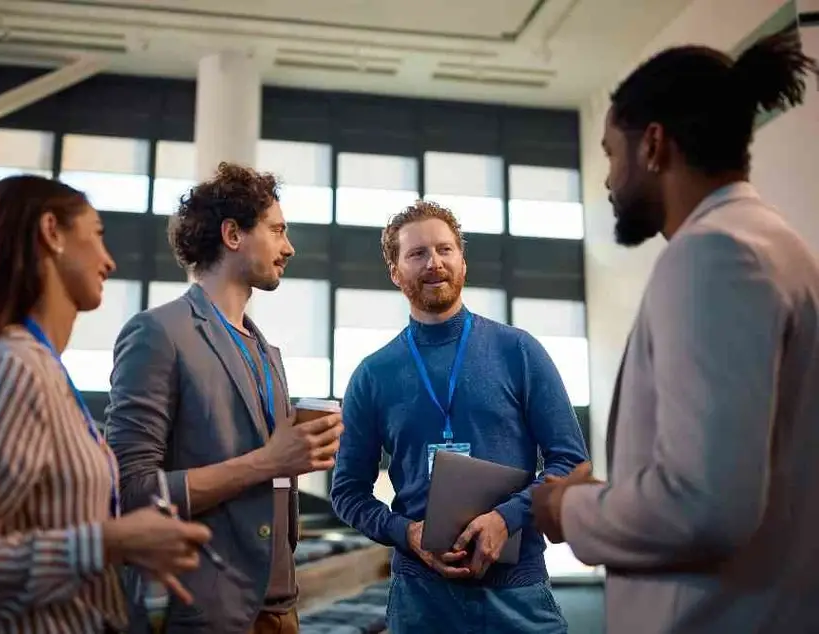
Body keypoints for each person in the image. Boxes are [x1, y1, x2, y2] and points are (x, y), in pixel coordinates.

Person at [532, 31, 819, 634]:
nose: (609, 180)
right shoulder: (779, 246)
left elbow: (706, 507)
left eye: (612, 154)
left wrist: (567, 507)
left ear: (654, 146)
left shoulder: (714, 256)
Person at [0, 175, 211, 634]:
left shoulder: (39, 367)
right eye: (98, 234)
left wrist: (121, 549)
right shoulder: (13, 367)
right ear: (52, 231)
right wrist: (105, 542)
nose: (109, 261)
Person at [106, 162, 344, 634]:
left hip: (279, 607)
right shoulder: (158, 333)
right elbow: (130, 493)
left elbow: (274, 471)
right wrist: (268, 462)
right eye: (277, 231)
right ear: (233, 234)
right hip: (201, 611)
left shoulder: (267, 352)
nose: (289, 247)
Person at [329, 200, 589, 634]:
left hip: (517, 593)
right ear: (395, 272)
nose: (434, 263)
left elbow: (572, 462)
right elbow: (348, 492)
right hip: (420, 598)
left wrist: (506, 518)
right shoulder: (373, 374)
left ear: (463, 261)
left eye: (445, 250)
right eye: (417, 254)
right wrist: (405, 532)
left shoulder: (519, 352)